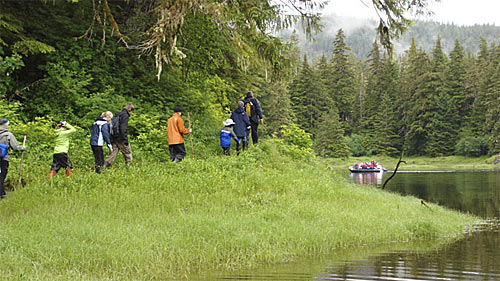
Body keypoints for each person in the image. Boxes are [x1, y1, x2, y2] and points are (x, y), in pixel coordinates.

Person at [0, 118, 25, 199]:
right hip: (4, 158)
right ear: (6, 125)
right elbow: (15, 147)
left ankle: (2, 193)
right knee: (2, 176)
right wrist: (22, 148)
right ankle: (2, 194)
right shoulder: (8, 135)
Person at [104, 104, 134, 168]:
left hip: (114, 137)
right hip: (120, 138)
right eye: (132, 111)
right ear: (130, 110)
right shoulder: (125, 115)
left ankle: (103, 167)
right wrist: (125, 140)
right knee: (128, 152)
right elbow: (123, 128)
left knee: (113, 153)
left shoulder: (118, 114)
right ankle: (129, 168)